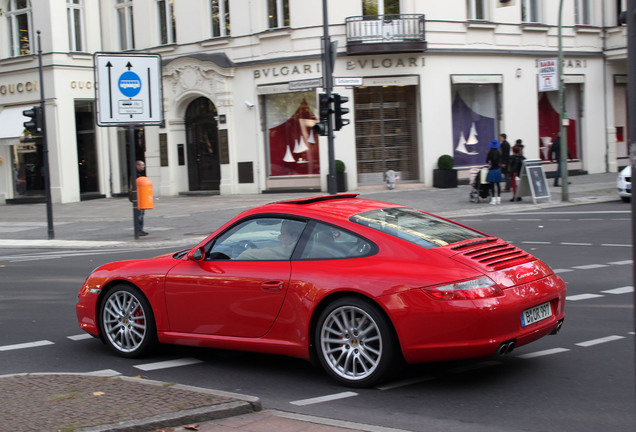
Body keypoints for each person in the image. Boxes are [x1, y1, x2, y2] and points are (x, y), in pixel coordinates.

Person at [237, 220, 304, 260]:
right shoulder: (306, 248)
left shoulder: (287, 252)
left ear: (294, 237)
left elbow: (247, 254)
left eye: (282, 234)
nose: (279, 237)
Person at [486, 139, 503, 205]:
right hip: (498, 170)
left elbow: (487, 161)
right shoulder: (499, 153)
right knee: (498, 184)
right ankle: (499, 199)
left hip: (492, 170)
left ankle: (493, 199)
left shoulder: (489, 153)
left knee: (492, 185)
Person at [135, 160, 148, 236]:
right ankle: (138, 230)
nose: (143, 166)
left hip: (142, 196)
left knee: (141, 214)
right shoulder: (136, 174)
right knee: (139, 215)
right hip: (138, 197)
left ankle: (140, 229)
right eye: (142, 165)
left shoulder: (140, 173)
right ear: (138, 166)